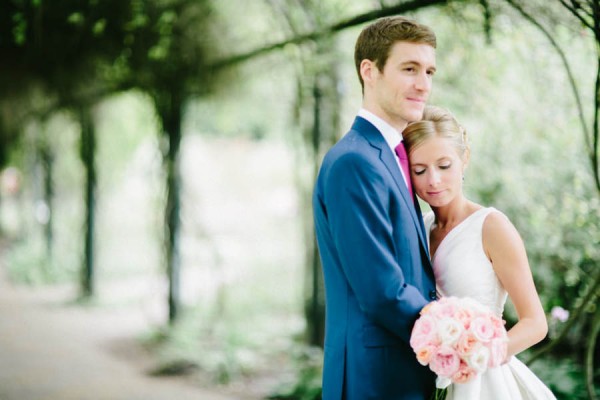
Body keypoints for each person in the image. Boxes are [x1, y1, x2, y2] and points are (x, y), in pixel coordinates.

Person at [313, 16, 438, 399]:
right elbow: (381, 289)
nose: (424, 84)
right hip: (374, 380)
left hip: (399, 373)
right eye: (409, 69)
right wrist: (452, 333)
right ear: (370, 71)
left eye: (429, 71)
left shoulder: (393, 155)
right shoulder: (355, 162)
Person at [402, 105, 556, 399]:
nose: (433, 180)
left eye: (444, 166)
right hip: (425, 381)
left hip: (484, 382)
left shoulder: (491, 226)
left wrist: (474, 356)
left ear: (465, 159)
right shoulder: (419, 227)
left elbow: (536, 323)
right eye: (419, 170)